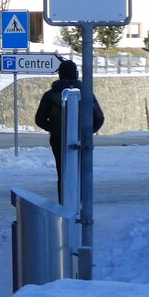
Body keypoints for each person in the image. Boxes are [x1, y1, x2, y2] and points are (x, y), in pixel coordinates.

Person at [34, 60, 104, 203]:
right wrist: (85, 133)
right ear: (76, 74)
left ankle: (64, 204)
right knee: (79, 172)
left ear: (60, 75)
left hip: (58, 140)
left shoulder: (50, 95)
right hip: (81, 140)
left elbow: (39, 119)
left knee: (63, 173)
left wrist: (54, 128)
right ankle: (80, 205)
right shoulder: (86, 93)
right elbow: (99, 118)